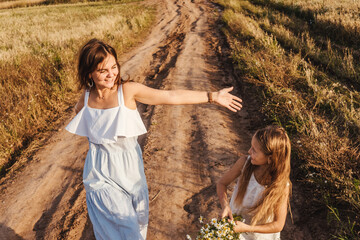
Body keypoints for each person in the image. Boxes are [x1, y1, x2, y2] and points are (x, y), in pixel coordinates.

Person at [65, 38, 243, 240]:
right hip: (100, 175)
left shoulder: (128, 90)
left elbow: (170, 97)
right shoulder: (86, 98)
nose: (111, 74)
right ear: (89, 72)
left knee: (137, 226)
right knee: (126, 231)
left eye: (114, 67)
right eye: (102, 70)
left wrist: (212, 96)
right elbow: (81, 116)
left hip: (131, 171)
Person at [216, 125, 292, 240]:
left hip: (259, 236)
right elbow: (221, 183)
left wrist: (247, 228)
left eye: (254, 150)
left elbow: (278, 224)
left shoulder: (280, 184)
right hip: (234, 228)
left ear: (270, 158)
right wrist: (225, 206)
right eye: (251, 147)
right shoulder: (244, 163)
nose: (249, 151)